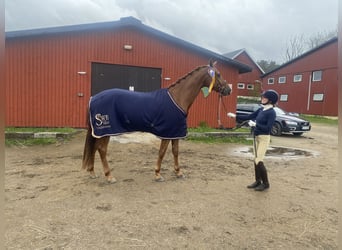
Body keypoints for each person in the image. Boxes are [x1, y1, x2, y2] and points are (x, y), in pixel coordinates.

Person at [236, 90, 279, 191]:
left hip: (264, 138)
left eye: (265, 98)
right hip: (256, 137)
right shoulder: (261, 110)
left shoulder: (271, 112)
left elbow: (268, 128)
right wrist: (235, 116)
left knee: (259, 160)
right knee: (255, 159)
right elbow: (249, 117)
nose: (262, 99)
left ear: (271, 100)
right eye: (262, 97)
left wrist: (256, 125)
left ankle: (266, 183)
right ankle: (257, 181)